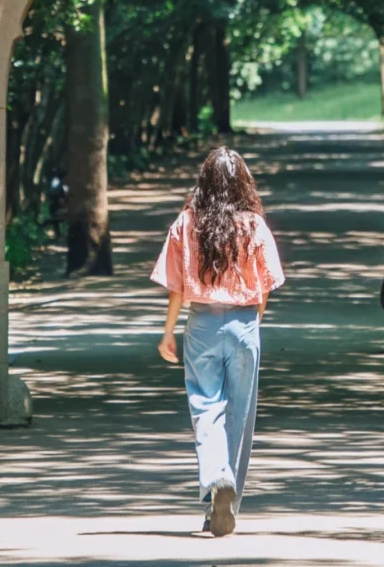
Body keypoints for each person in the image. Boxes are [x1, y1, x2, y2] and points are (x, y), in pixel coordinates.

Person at [151, 146, 285, 537]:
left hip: (203, 324)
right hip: (245, 325)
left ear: (204, 182)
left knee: (205, 408)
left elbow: (176, 287)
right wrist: (252, 320)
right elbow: (267, 285)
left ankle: (216, 477)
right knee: (240, 418)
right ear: (243, 181)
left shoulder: (186, 223)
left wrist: (168, 333)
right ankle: (226, 507)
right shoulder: (255, 225)